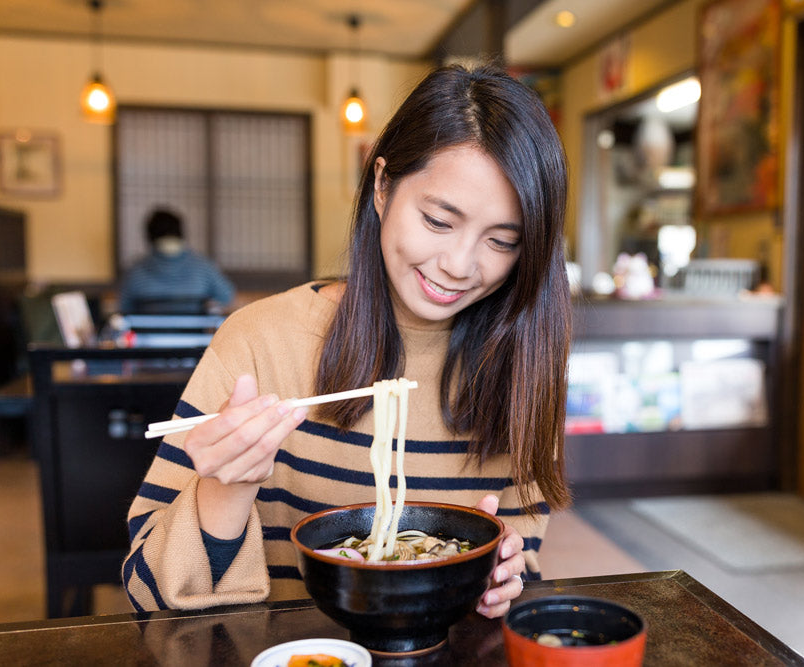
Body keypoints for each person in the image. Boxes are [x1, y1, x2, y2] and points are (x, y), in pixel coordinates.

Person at [122, 62, 572, 619]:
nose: (459, 265)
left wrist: (498, 575)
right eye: (437, 220)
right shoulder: (261, 343)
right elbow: (145, 588)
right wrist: (225, 487)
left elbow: (521, 560)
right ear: (382, 186)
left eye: (502, 241)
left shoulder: (523, 363)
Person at [117, 208, 235, 314]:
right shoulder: (203, 267)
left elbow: (125, 307)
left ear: (149, 236)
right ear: (181, 232)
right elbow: (227, 296)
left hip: (147, 336)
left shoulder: (136, 271)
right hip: (194, 335)